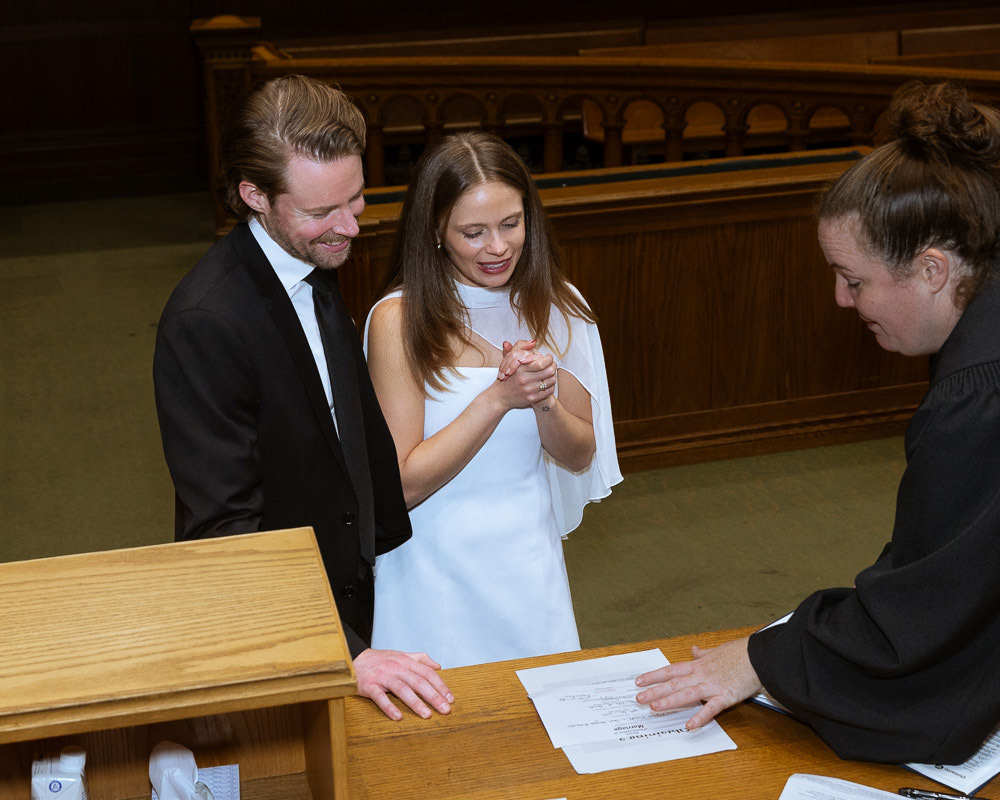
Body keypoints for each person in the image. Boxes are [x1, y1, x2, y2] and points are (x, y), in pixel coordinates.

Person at [634, 81, 1000, 765]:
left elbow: (930, 613)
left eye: (853, 279)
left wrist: (765, 660)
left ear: (932, 269)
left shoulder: (980, 395)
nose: (839, 299)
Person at [153, 74, 453, 721]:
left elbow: (343, 438)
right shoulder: (205, 322)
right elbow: (224, 529)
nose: (350, 226)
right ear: (253, 195)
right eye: (322, 212)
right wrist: (344, 651)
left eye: (357, 198)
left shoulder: (311, 261)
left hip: (347, 583)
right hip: (275, 627)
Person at [364, 130, 622, 669]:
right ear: (435, 231)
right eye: (473, 232)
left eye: (511, 224)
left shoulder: (560, 306)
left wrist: (544, 398)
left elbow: (580, 456)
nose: (498, 247)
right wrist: (497, 400)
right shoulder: (400, 320)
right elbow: (402, 485)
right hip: (432, 566)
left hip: (526, 559)